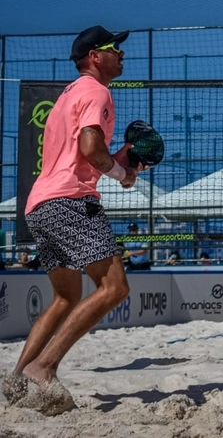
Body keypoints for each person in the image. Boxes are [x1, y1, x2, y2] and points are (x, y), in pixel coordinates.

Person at [1, 25, 140, 415]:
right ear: (95, 56)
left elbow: (81, 154)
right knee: (115, 288)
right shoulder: (96, 91)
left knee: (66, 297)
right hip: (70, 201)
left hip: (39, 204)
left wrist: (119, 160)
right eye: (116, 48)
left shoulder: (68, 95)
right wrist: (123, 174)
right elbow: (92, 150)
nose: (122, 55)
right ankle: (43, 368)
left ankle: (17, 379)